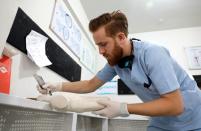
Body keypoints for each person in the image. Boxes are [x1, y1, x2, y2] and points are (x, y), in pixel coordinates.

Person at [37, 10, 201, 131]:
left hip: (194, 119)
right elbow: (90, 84)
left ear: (121, 37)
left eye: (103, 44)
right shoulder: (115, 63)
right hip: (162, 123)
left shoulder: (153, 54)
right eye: (98, 46)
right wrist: (57, 86)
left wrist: (123, 108)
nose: (100, 51)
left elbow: (175, 105)